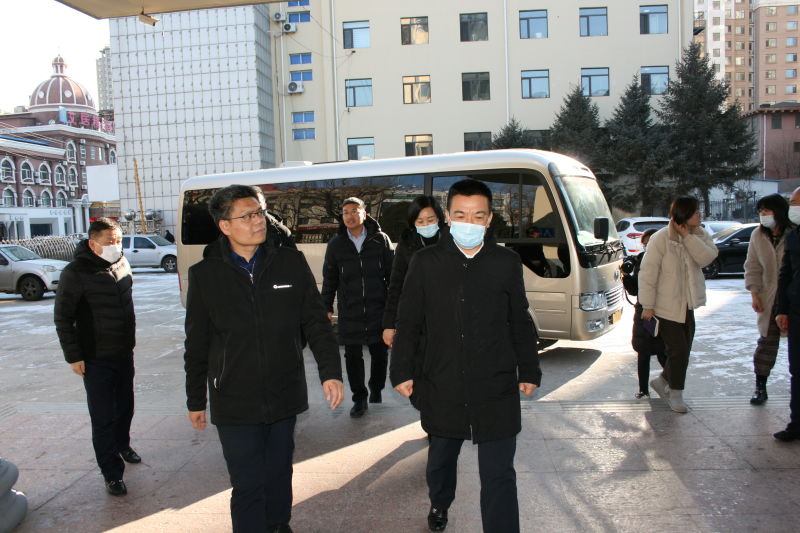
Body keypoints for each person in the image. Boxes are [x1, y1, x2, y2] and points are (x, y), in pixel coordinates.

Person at [184, 185, 344, 532]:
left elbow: (316, 322)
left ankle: (279, 524)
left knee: (279, 473)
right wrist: (195, 399)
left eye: (260, 212)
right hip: (233, 399)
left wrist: (331, 372)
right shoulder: (205, 275)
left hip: (283, 392)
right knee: (248, 484)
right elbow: (196, 343)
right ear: (225, 226)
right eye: (248, 216)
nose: (259, 221)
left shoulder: (290, 262)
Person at [390, 179, 541, 533]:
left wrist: (529, 369)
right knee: (441, 459)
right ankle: (440, 502)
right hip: (442, 381)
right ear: (447, 217)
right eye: (460, 215)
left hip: (495, 384)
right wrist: (401, 370)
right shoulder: (425, 262)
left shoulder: (506, 262)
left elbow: (519, 319)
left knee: (499, 474)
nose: (468, 223)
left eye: (478, 216)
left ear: (489, 220)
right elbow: (408, 321)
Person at [54, 218, 140, 497]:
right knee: (103, 417)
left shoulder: (122, 263)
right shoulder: (75, 273)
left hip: (123, 352)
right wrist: (73, 356)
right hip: (95, 358)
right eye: (110, 241)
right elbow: (63, 317)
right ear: (93, 244)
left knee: (125, 406)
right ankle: (112, 474)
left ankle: (123, 444)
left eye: (119, 240)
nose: (116, 246)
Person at [638, 197, 718, 413]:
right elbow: (648, 273)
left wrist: (687, 237)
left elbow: (707, 258)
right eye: (695, 212)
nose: (699, 215)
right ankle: (675, 394)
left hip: (687, 305)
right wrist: (648, 305)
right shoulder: (661, 238)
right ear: (684, 214)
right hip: (664, 306)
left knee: (683, 351)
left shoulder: (699, 234)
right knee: (679, 352)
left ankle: (662, 381)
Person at [321, 197, 393, 418]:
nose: (350, 216)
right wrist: (326, 307)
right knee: (352, 355)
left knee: (379, 353)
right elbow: (330, 278)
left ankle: (376, 388)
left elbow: (393, 276)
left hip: (378, 308)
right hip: (350, 309)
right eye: (345, 212)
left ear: (365, 213)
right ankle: (359, 398)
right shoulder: (336, 244)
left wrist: (394, 308)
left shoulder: (380, 240)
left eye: (354, 211)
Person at [745, 194, 792, 405]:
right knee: (766, 343)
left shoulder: (793, 233)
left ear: (779, 211)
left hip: (793, 298)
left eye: (767, 211)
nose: (763, 215)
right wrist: (754, 293)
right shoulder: (758, 234)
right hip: (768, 298)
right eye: (760, 211)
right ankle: (760, 387)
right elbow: (752, 266)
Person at [382, 195, 447, 349]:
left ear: (439, 218)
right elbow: (396, 285)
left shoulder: (451, 239)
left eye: (430, 220)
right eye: (420, 221)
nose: (426, 225)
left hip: (448, 317)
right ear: (413, 223)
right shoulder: (407, 243)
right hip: (416, 318)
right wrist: (389, 325)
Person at [621, 228, 666, 399]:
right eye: (645, 244)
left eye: (650, 243)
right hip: (643, 312)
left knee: (663, 353)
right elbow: (634, 290)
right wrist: (626, 275)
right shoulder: (641, 259)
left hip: (662, 311)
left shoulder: (666, 260)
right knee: (643, 351)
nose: (647, 247)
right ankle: (643, 389)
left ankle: (671, 385)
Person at [775, 186, 800, 442]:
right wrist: (781, 309)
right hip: (796, 312)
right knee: (797, 371)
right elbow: (785, 275)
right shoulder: (793, 237)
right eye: (792, 203)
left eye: (796, 203)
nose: (793, 208)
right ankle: (796, 424)